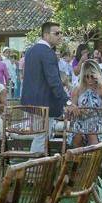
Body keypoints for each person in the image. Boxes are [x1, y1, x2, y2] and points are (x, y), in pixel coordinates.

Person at [21, 22, 67, 153]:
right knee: (41, 138)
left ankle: (35, 169)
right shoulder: (47, 52)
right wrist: (67, 101)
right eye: (57, 33)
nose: (60, 36)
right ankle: (33, 170)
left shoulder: (30, 51)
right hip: (44, 104)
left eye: (61, 33)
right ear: (46, 35)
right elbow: (54, 81)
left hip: (30, 102)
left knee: (40, 138)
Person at [67, 60, 102, 147]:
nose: (89, 80)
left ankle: (94, 159)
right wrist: (75, 110)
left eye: (92, 76)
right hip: (81, 121)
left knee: (92, 135)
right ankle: (78, 159)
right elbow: (72, 107)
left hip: (98, 122)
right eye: (86, 76)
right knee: (78, 136)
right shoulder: (77, 89)